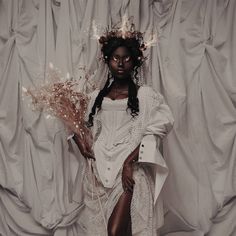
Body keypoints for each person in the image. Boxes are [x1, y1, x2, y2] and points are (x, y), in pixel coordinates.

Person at [72, 29, 174, 236]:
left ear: (134, 62)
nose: (120, 63)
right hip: (98, 173)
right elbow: (76, 124)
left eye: (126, 58)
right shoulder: (94, 98)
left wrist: (129, 163)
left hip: (128, 170)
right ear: (107, 61)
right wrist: (80, 142)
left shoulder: (146, 96)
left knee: (116, 231)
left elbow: (157, 129)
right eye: (115, 58)